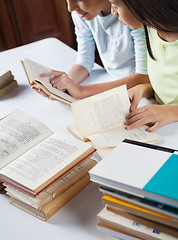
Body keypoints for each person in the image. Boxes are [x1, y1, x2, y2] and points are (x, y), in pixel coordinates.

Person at [35, 0, 149, 99]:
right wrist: (65, 85)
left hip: (141, 92)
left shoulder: (131, 14)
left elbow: (143, 77)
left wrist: (81, 91)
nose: (70, 8)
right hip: (111, 81)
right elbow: (84, 61)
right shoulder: (81, 13)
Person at [109, 0, 178, 132]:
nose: (113, 12)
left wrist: (173, 112)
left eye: (115, 5)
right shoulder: (151, 30)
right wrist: (143, 89)